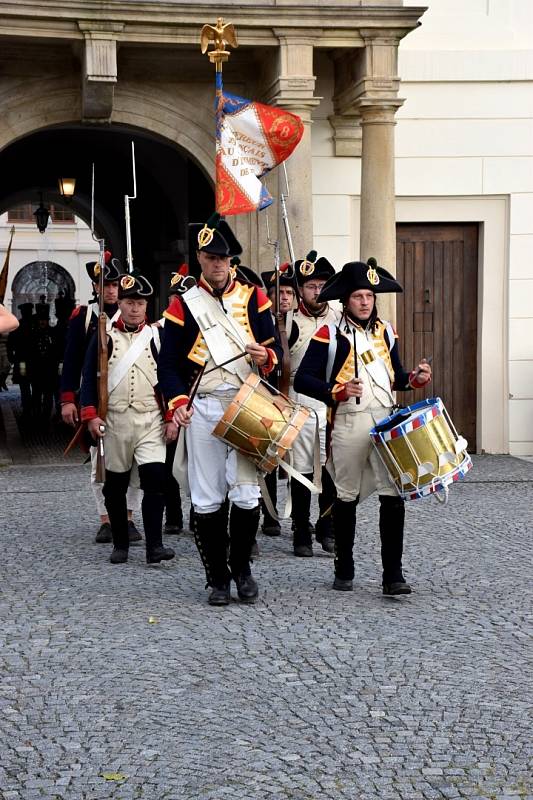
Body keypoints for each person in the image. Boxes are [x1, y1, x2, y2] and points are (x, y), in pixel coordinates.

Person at [158, 212, 282, 606]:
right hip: (205, 407)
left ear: (232, 261)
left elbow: (275, 350)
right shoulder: (183, 304)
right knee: (208, 497)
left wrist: (266, 356)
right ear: (200, 258)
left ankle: (242, 568)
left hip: (246, 404)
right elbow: (169, 364)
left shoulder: (254, 298)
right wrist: (178, 403)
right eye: (210, 257)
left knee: (246, 494)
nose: (217, 264)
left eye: (223, 258)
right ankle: (217, 579)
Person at [294, 258, 432, 595]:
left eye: (369, 295)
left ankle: (393, 576)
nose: (365, 301)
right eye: (358, 296)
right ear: (346, 300)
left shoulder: (386, 331)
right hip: (348, 422)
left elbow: (396, 376)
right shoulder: (329, 334)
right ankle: (344, 567)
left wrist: (414, 379)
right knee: (346, 496)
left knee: (393, 496)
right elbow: (302, 380)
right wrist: (335, 391)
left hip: (385, 421)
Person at [80, 271, 176, 566]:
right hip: (116, 422)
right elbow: (88, 380)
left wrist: (171, 416)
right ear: (119, 303)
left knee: (154, 482)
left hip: (150, 421)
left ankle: (154, 547)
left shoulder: (158, 337)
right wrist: (91, 415)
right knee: (115, 487)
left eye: (140, 303)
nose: (135, 308)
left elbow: (171, 379)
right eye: (129, 302)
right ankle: (120, 543)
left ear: (148, 306)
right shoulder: (104, 335)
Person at [60, 258, 143, 544]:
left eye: (113, 284)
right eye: (104, 285)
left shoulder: (135, 316)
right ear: (96, 287)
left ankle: (129, 517)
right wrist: (69, 400)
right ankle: (106, 519)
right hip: (97, 400)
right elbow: (71, 360)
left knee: (133, 463)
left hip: (130, 398)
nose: (110, 290)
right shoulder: (84, 316)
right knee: (101, 461)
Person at [288, 250, 340, 557]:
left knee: (331, 469)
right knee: (302, 471)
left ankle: (327, 526)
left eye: (322, 285)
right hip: (300, 403)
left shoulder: (338, 320)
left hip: (332, 402)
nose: (317, 291)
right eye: (310, 286)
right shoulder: (289, 323)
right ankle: (300, 530)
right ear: (301, 290)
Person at [259, 263, 297, 537]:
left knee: (298, 462)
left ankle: (299, 517)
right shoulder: (262, 320)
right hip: (266, 393)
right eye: (278, 292)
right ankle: (269, 514)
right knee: (264, 458)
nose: (283, 297)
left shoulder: (299, 323)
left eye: (287, 292)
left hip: (293, 395)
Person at [28, 303, 60, 422]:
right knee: (36, 394)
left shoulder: (53, 333)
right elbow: (29, 352)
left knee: (48, 395)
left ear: (48, 321)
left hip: (49, 370)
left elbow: (56, 350)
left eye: (44, 320)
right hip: (36, 370)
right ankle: (36, 415)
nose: (42, 322)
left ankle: (46, 416)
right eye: (40, 320)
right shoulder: (33, 334)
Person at [7, 303, 34, 416]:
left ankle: (27, 406)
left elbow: (10, 344)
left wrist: (12, 357)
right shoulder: (34, 325)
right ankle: (32, 406)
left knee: (25, 384)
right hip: (33, 360)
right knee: (33, 384)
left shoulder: (18, 325)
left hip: (23, 360)